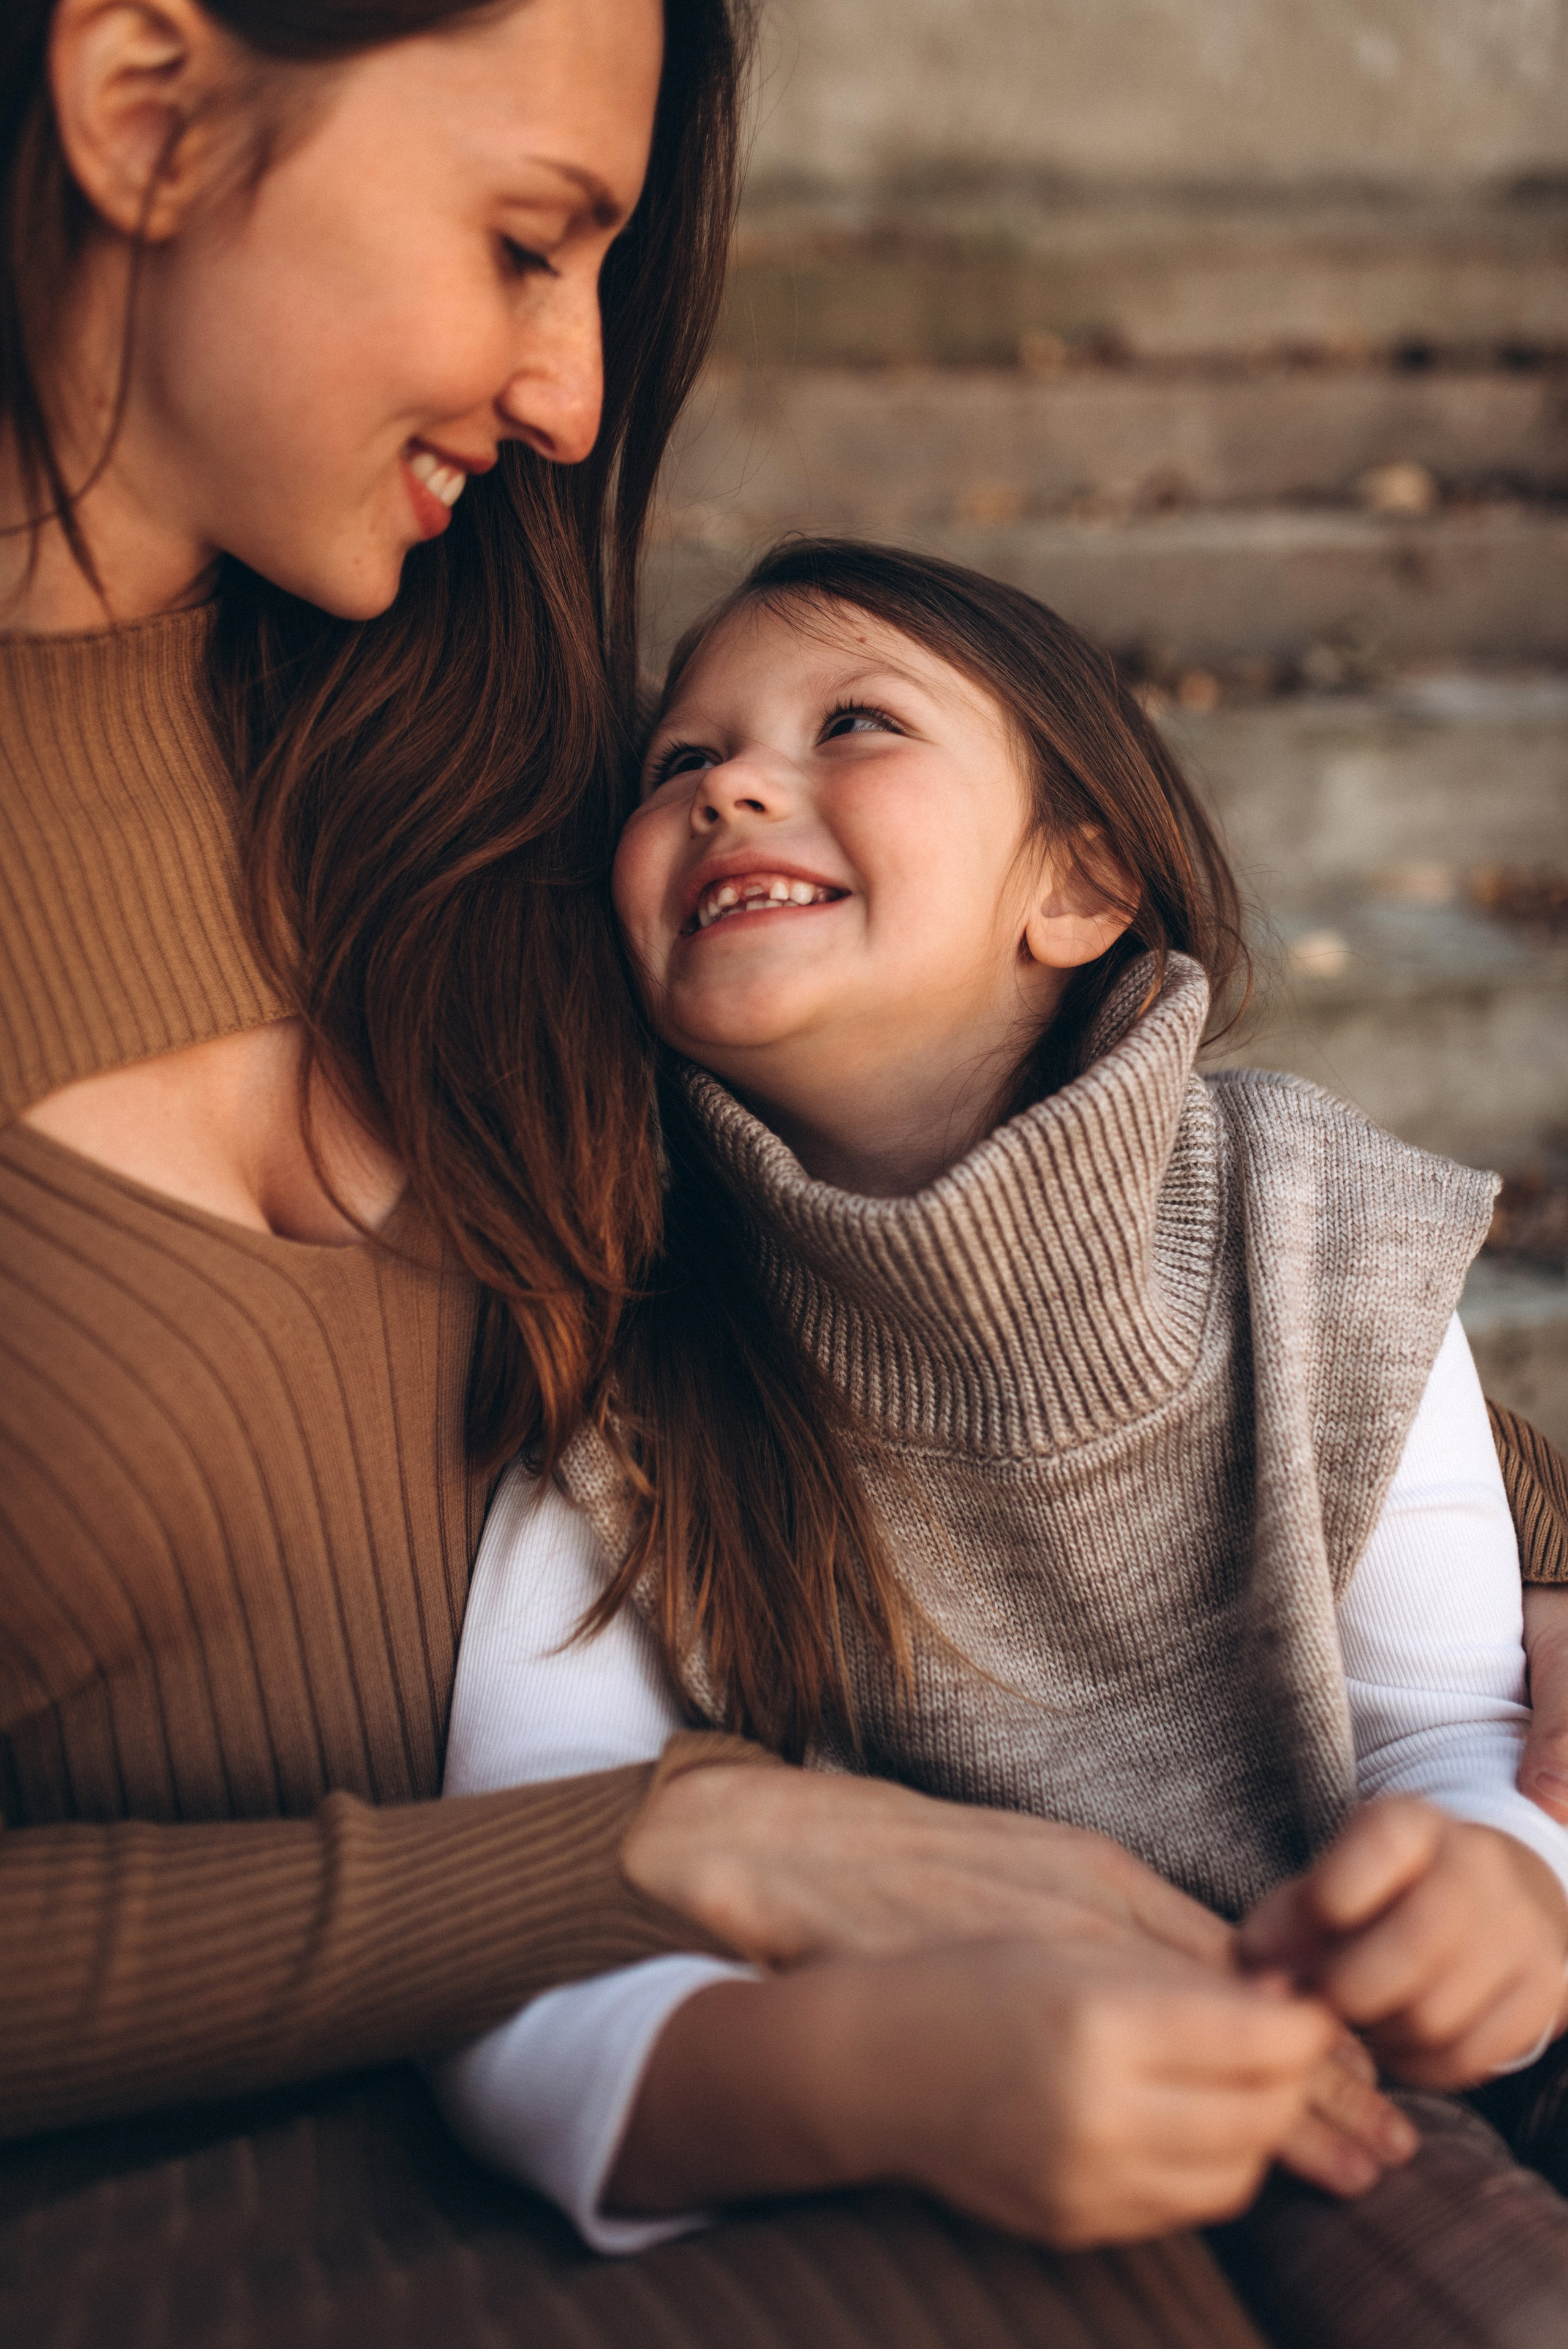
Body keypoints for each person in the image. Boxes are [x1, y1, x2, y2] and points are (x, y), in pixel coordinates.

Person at [5, 8, 1441, 2345]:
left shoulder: (477, 739)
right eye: (523, 242)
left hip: (933, 2120)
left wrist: (1485, 1570)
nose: (576, 398)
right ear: (143, 106)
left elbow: (1009, 1204)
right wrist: (648, 1847)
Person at [434, 539, 1568, 2347]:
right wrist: (870, 2071)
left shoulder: (1313, 1222)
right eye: (676, 762)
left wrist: (1498, 1890)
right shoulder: (625, 1382)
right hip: (943, 2133)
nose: (727, 780)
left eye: (853, 723)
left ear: (1079, 883)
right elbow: (525, 1932)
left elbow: (1451, 1721)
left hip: (1395, 2077)